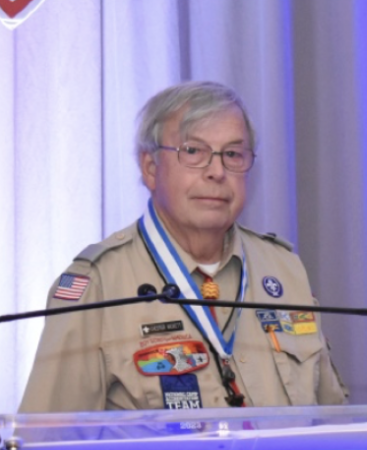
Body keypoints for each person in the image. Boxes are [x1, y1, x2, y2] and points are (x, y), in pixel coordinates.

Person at [20, 81, 346, 412]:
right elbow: (46, 445)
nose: (217, 171)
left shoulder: (284, 269)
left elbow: (336, 425)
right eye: (193, 152)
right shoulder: (98, 286)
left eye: (232, 154)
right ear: (150, 168)